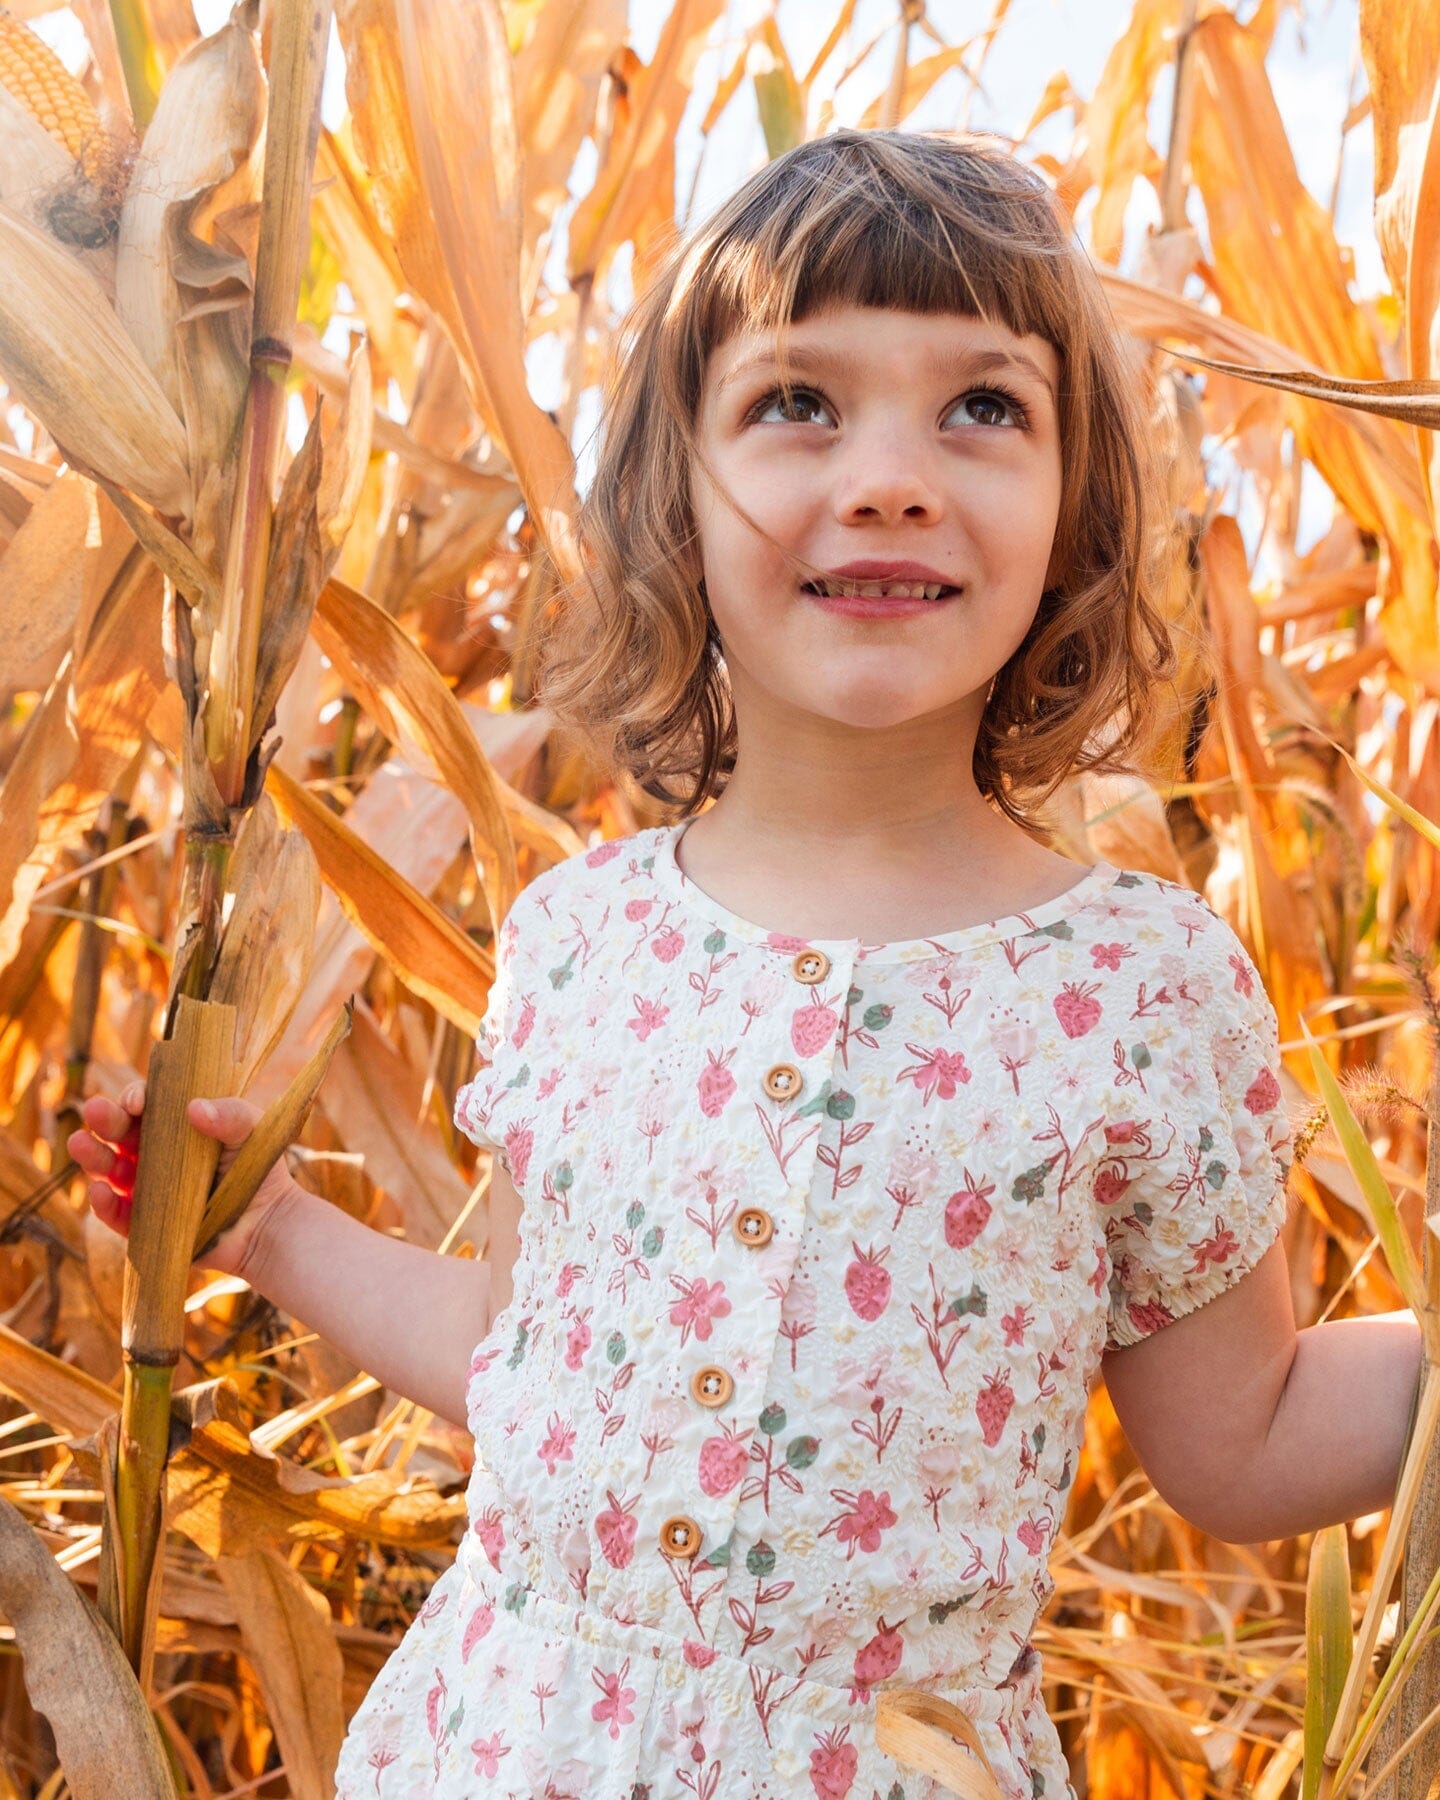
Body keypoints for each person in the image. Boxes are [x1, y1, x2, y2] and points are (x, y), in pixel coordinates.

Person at [72, 129, 1423, 1800]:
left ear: (1076, 508)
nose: (891, 477)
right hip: (512, 1749)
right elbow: (522, 1351)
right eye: (798, 401)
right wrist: (270, 1228)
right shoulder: (585, 937)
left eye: (982, 407)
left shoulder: (1138, 990)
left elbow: (1251, 1436)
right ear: (678, 498)